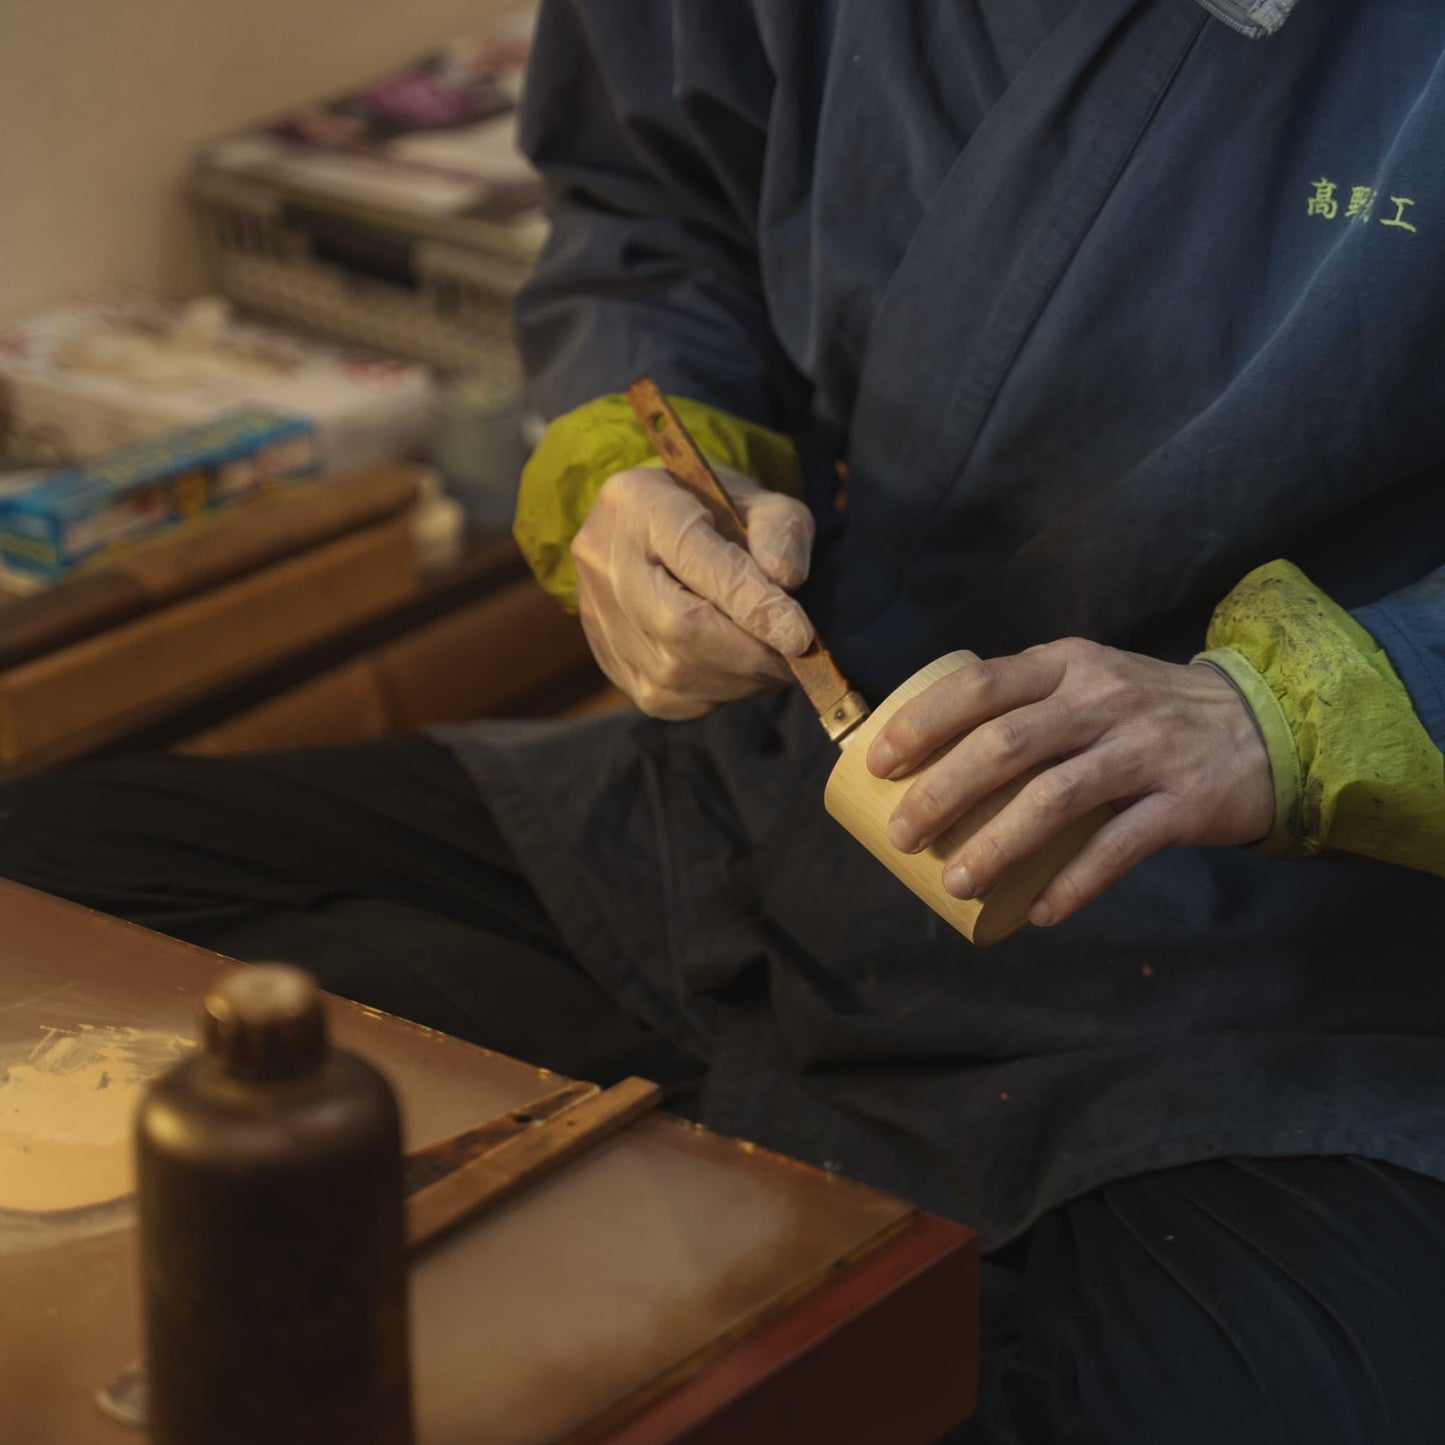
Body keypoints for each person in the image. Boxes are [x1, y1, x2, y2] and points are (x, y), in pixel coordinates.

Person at [5, 1, 1445, 1438]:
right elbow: (648, 206)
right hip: (760, 796)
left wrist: (1291, 716)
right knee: (52, 884)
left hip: (1273, 957)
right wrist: (645, 474)